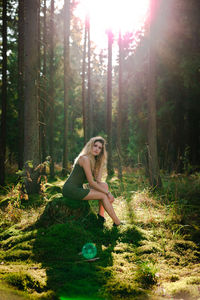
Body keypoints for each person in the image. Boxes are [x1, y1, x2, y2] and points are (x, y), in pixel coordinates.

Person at [62, 136, 122, 226]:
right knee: (103, 194)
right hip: (70, 189)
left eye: (100, 148)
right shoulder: (84, 159)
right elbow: (91, 183)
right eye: (95, 146)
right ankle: (117, 222)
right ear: (90, 146)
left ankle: (101, 217)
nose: (97, 149)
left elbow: (98, 180)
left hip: (78, 188)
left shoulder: (93, 160)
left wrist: (101, 161)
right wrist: (108, 193)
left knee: (104, 185)